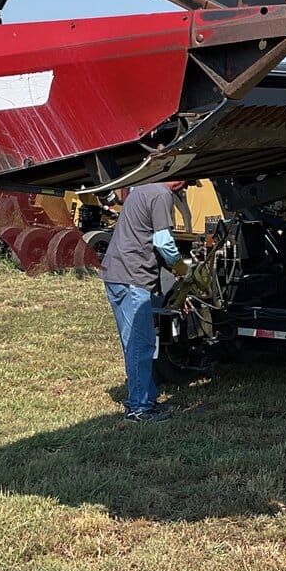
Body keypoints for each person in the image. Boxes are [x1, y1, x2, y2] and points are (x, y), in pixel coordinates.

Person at [99, 179, 188, 422]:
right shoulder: (161, 195)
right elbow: (163, 242)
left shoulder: (143, 189)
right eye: (186, 184)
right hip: (132, 277)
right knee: (141, 343)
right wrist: (181, 268)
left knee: (133, 341)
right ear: (177, 178)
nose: (185, 189)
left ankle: (146, 398)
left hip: (117, 274)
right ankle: (139, 409)